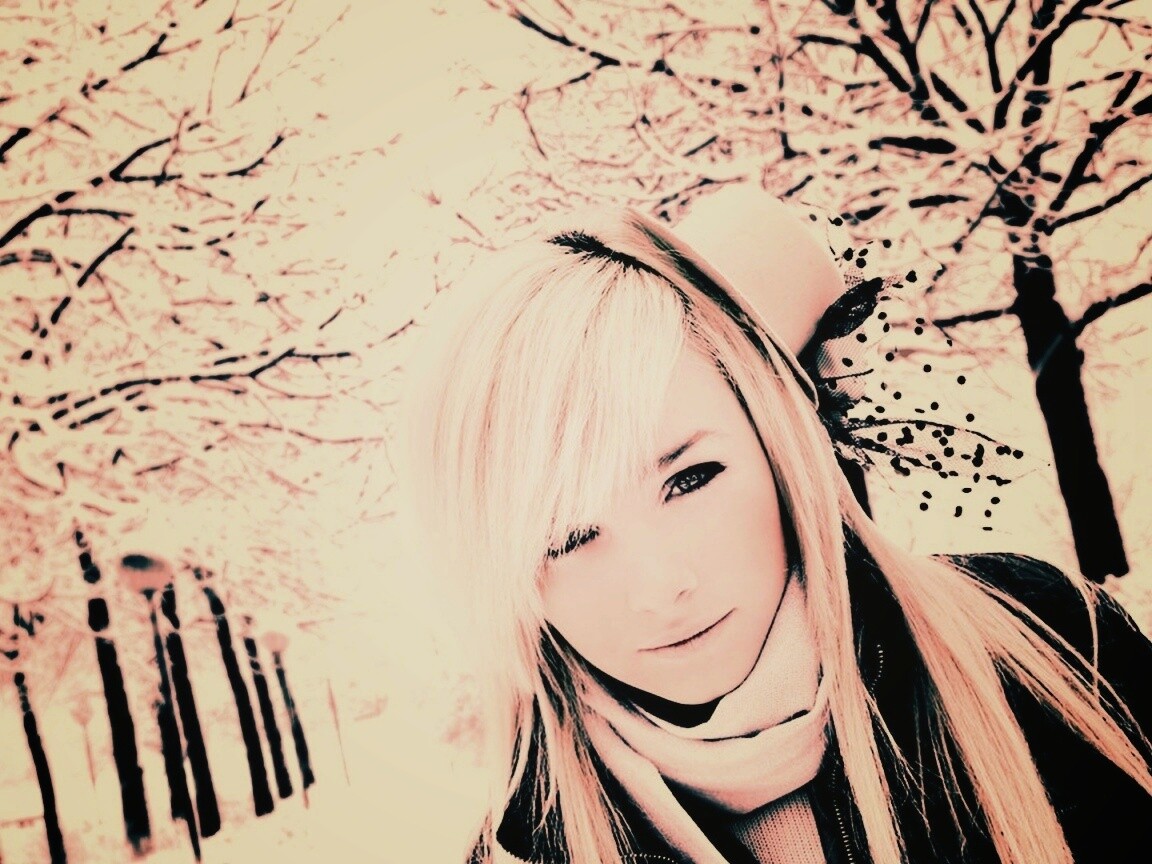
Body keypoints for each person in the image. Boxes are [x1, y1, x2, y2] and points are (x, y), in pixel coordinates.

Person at [402, 186, 1152, 864]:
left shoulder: (1049, 646)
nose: (662, 587)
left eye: (689, 479)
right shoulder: (519, 854)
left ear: (774, 441)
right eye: (567, 538)